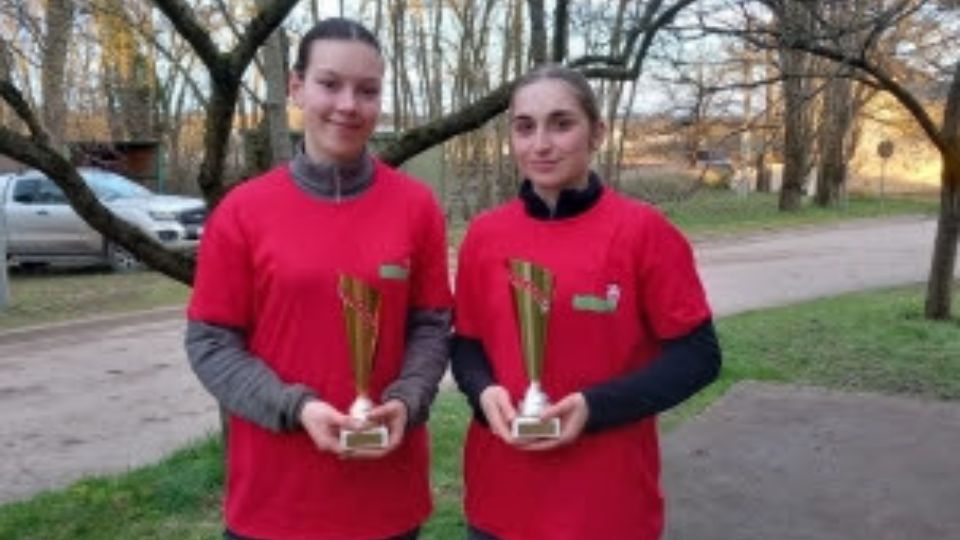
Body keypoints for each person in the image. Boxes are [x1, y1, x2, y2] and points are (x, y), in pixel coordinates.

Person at [185, 18, 452, 540]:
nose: (348, 105)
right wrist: (296, 407)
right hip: (274, 506)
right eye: (331, 84)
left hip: (385, 504)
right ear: (297, 88)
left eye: (367, 90)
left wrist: (407, 399)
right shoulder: (243, 211)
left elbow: (430, 326)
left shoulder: (416, 207)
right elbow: (211, 342)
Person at [451, 64, 722, 540]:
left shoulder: (644, 233)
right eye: (525, 126)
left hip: (606, 508)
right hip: (499, 505)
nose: (541, 144)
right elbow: (468, 344)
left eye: (561, 123)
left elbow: (698, 357)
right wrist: (482, 392)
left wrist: (593, 408)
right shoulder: (484, 235)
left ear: (597, 132)